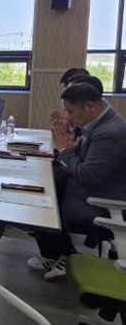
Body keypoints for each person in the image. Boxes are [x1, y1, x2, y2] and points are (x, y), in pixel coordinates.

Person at [28, 83, 126, 281]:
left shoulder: (110, 132)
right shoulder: (99, 122)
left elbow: (88, 175)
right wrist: (70, 149)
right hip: (89, 188)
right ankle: (52, 252)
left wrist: (65, 151)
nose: (69, 117)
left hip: (97, 201)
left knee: (39, 198)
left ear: (90, 106)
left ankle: (66, 254)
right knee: (39, 177)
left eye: (70, 111)